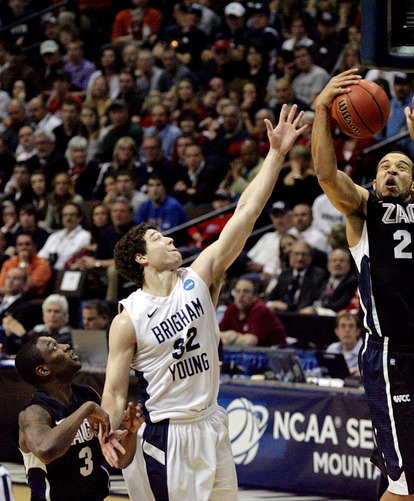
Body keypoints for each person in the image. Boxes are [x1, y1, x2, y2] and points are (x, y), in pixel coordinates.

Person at [99, 105, 306, 500]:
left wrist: (276, 155)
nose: (169, 239)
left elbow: (245, 212)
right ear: (141, 258)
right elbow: (114, 391)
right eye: (158, 239)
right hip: (166, 435)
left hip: (211, 422)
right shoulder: (129, 317)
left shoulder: (197, 277)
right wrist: (110, 432)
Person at [312, 69, 414, 499]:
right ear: (375, 182)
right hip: (391, 354)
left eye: (401, 167)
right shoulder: (363, 210)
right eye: (384, 167)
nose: (392, 171)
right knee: (405, 484)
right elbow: (326, 174)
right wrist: (322, 109)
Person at [15, 336, 143, 501]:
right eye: (54, 348)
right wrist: (86, 410)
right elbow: (45, 451)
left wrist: (130, 432)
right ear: (43, 370)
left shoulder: (86, 395)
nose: (66, 346)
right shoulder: (33, 413)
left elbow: (120, 461)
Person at [219, 278, 287, 347]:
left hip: (277, 351)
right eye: (237, 291)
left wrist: (231, 336)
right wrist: (231, 335)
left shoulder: (260, 310)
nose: (241, 295)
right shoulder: (232, 308)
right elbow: (216, 334)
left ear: (255, 296)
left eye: (246, 291)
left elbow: (250, 342)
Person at [265, 240, 328, 312]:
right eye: (296, 254)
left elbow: (308, 302)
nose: (299, 259)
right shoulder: (286, 273)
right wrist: (271, 304)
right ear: (290, 255)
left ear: (310, 257)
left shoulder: (318, 276)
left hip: (302, 316)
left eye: (304, 254)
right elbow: (269, 297)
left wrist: (287, 308)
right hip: (281, 313)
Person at [38, 202, 91, 271]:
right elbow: (41, 256)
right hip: (47, 271)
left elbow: (77, 258)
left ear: (79, 218)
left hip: (67, 272)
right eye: (65, 215)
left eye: (72, 215)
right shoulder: (54, 236)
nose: (68, 218)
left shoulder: (84, 236)